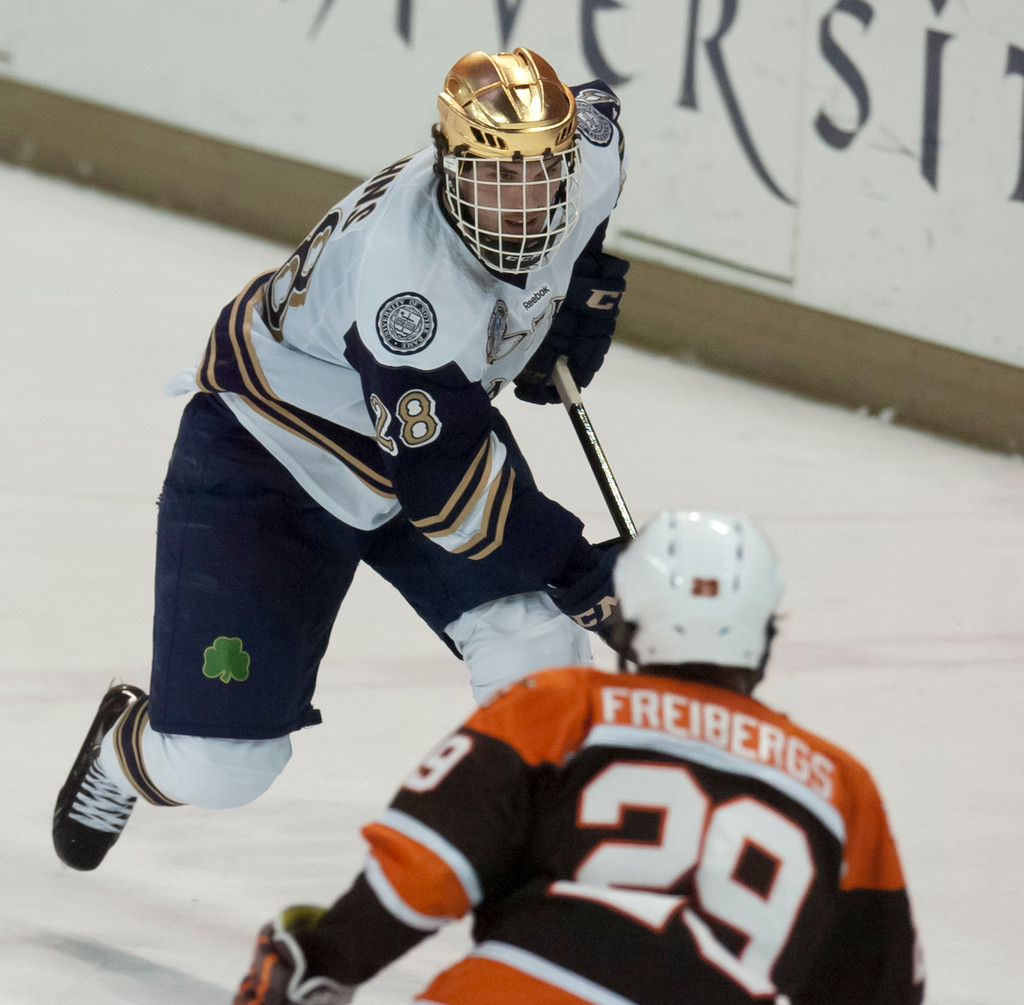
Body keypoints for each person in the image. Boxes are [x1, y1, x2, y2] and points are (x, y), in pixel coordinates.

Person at [52, 48, 631, 872]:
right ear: (449, 160)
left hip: (423, 431)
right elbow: (453, 499)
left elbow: (602, 114)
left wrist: (571, 295)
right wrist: (585, 574)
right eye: (497, 182)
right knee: (220, 769)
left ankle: (527, 877)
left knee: (537, 647)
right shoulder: (411, 291)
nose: (525, 206)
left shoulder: (588, 151)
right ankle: (125, 745)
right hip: (271, 457)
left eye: (543, 177)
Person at [230, 510, 925, 1005]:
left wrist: (319, 963)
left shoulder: (565, 705)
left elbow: (426, 867)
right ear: (766, 635)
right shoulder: (840, 785)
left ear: (631, 616)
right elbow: (877, 983)